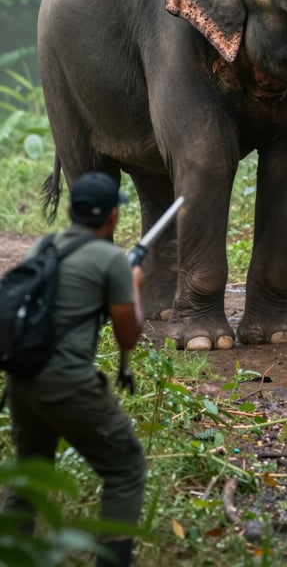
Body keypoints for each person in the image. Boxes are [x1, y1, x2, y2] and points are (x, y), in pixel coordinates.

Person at [3, 172, 146, 566]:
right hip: (66, 381)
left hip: (21, 377)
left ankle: (13, 557)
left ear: (69, 211)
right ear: (114, 218)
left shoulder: (44, 246)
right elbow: (128, 336)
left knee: (30, 471)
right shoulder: (113, 259)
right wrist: (134, 283)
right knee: (126, 468)